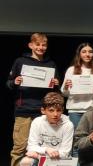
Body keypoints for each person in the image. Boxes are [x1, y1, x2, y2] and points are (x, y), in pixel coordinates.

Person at [6, 33, 60, 166]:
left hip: (43, 112)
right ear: (31, 45)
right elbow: (8, 84)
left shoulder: (51, 64)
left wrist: (57, 83)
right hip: (23, 111)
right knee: (19, 148)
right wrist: (15, 82)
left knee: (43, 148)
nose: (41, 47)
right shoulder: (20, 61)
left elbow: (56, 90)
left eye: (44, 45)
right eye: (37, 44)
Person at [19, 92, 74, 166]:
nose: (55, 114)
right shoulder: (37, 122)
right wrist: (46, 150)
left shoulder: (68, 125)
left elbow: (64, 153)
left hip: (59, 160)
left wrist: (38, 156)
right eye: (51, 110)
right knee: (26, 161)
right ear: (43, 110)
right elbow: (31, 147)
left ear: (62, 110)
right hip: (42, 156)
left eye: (58, 110)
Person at [62, 42, 93, 128]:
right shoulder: (71, 70)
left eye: (90, 52)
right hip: (75, 110)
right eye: (84, 52)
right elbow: (64, 94)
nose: (87, 54)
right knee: (76, 138)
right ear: (79, 54)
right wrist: (66, 87)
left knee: (92, 137)